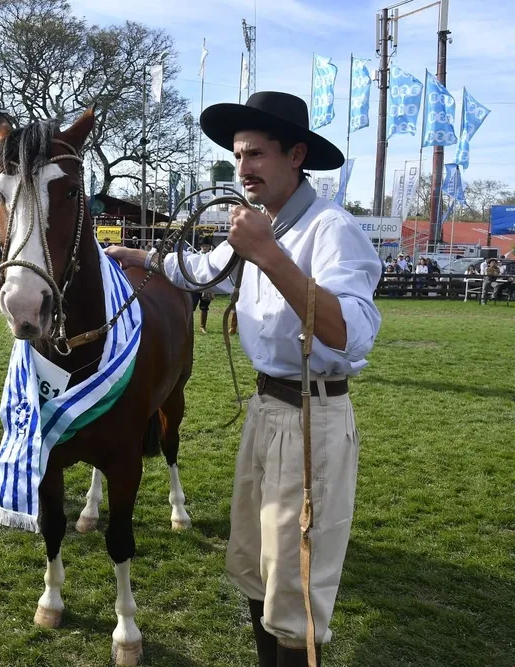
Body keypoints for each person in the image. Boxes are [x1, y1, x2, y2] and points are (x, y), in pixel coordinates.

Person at [107, 91, 382, 666]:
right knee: (255, 572)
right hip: (265, 411)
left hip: (313, 418)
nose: (243, 168)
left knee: (294, 589)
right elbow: (202, 272)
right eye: (238, 156)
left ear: (296, 155)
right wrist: (144, 257)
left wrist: (269, 254)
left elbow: (350, 333)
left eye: (256, 154)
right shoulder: (260, 227)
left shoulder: (331, 229)